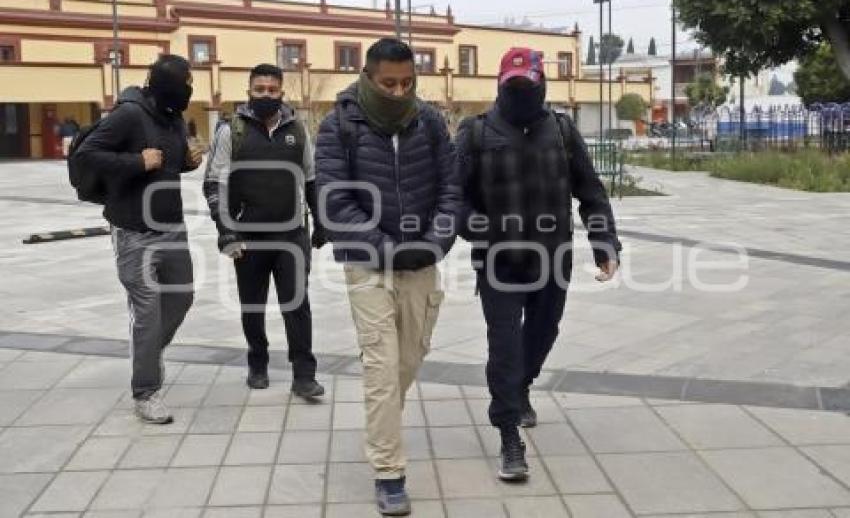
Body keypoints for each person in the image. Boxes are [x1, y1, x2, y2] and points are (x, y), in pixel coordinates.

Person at [456, 47, 621, 481]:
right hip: (499, 263)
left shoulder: (563, 132)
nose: (521, 91)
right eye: (513, 85)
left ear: (541, 84)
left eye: (528, 84)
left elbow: (591, 190)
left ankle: (522, 387)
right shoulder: (475, 133)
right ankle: (509, 434)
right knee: (505, 348)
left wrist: (604, 240)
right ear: (500, 85)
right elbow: (453, 195)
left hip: (553, 259)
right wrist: (475, 226)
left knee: (543, 333)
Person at [316, 37, 460, 516]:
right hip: (368, 265)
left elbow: (450, 190)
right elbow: (336, 202)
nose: (399, 91)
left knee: (410, 359)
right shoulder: (339, 125)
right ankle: (389, 470)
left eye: (407, 82)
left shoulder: (431, 121)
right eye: (389, 83)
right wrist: (388, 249)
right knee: (381, 366)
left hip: (422, 262)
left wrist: (435, 241)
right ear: (369, 76)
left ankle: (382, 428)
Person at [75, 54, 202, 424]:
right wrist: (135, 162)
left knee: (182, 297)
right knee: (147, 311)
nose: (190, 88)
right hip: (134, 230)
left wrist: (189, 161)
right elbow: (88, 154)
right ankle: (146, 391)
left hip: (172, 226)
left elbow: (170, 162)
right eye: (186, 81)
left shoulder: (174, 117)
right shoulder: (128, 114)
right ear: (166, 82)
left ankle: (146, 355)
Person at [204, 63, 327, 398]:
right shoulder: (232, 131)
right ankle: (257, 362)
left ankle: (304, 374)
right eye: (260, 90)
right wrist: (226, 231)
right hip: (249, 237)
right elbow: (215, 184)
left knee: (297, 304)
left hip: (292, 236)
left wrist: (321, 221)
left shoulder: (298, 130)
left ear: (281, 92)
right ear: (249, 92)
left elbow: (313, 178)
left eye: (272, 90)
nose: (266, 96)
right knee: (252, 305)